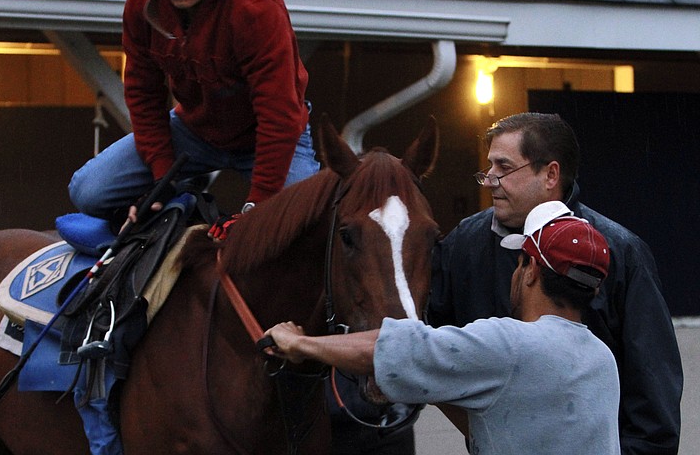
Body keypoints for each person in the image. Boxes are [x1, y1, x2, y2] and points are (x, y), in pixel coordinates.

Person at [68, 0, 319, 238]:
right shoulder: (142, 4)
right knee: (87, 190)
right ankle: (177, 207)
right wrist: (162, 177)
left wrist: (258, 205)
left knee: (307, 223)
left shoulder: (257, 8)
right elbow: (143, 94)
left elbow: (278, 113)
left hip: (269, 134)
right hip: (194, 131)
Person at [265, 201, 622, 455]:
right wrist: (432, 383)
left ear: (530, 271)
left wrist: (301, 344)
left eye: (519, 263)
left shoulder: (510, 343)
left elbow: (388, 347)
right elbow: (499, 427)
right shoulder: (601, 359)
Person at [430, 112, 683, 455]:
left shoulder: (621, 253)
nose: (489, 180)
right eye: (489, 167)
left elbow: (653, 402)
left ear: (551, 174)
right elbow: (429, 350)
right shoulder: (464, 245)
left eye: (503, 167)